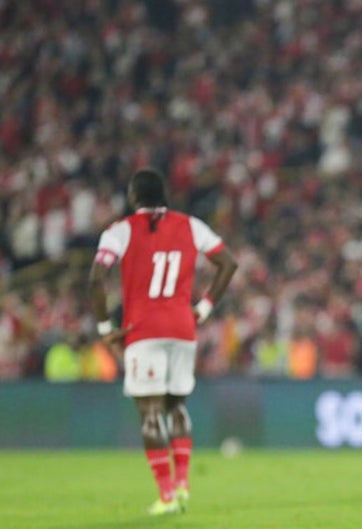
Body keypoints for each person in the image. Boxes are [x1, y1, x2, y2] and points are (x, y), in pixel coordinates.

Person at [88, 168, 238, 515]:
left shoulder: (120, 231)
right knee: (177, 406)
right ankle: (182, 483)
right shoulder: (191, 225)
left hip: (143, 330)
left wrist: (104, 327)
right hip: (183, 328)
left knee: (150, 411)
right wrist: (204, 308)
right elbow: (228, 263)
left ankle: (167, 495)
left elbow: (96, 279)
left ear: (133, 197)